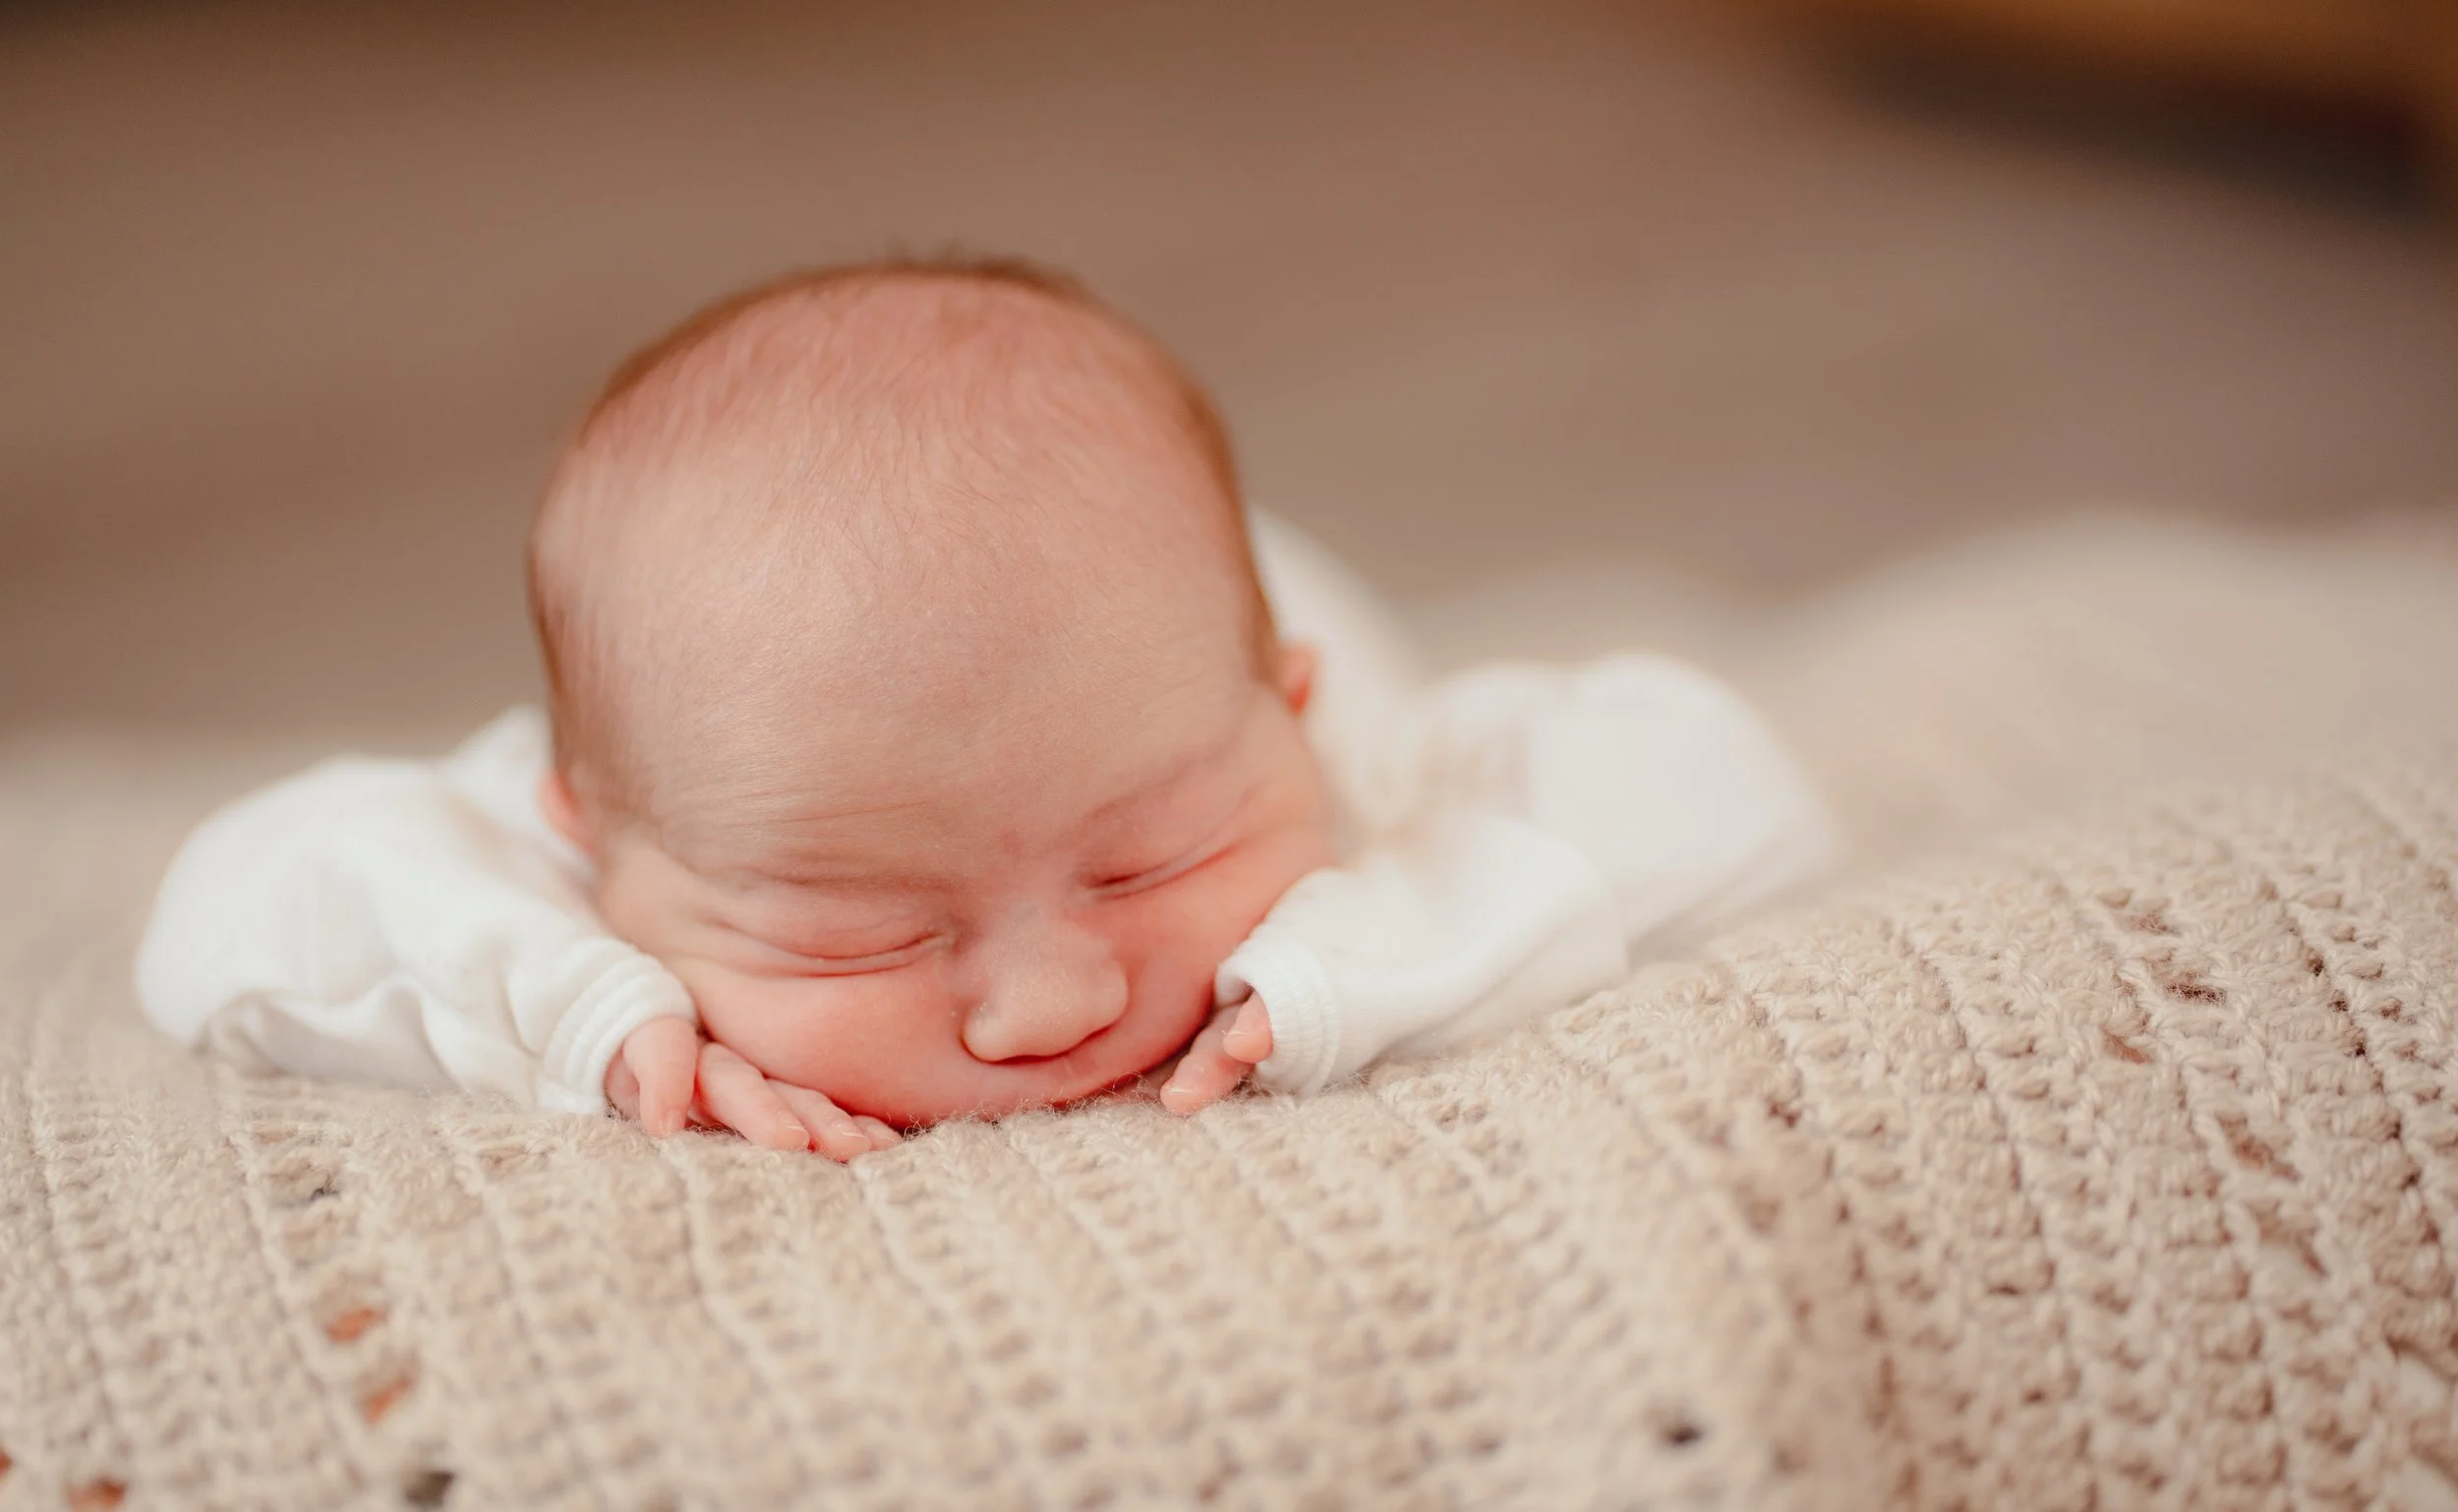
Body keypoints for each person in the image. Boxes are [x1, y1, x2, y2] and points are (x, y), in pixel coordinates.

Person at [137, 260, 1837, 1160]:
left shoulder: (1332, 750)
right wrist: (578, 1009)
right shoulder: (546, 852)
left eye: (1151, 856)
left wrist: (1372, 943)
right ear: (595, 837)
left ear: (1288, 716)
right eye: (859, 929)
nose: (1048, 1008)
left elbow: (1738, 794)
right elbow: (219, 911)